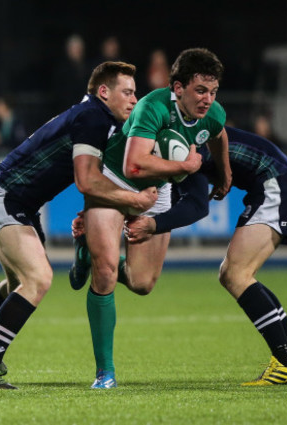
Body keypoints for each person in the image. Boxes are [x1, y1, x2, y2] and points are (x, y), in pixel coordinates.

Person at [0, 61, 158, 390]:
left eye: (135, 93)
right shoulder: (95, 117)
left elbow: (90, 176)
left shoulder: (90, 114)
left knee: (17, 283)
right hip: (5, 196)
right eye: (128, 92)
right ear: (104, 92)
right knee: (38, 278)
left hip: (17, 200)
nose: (134, 99)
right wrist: (133, 201)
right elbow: (86, 179)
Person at [72, 126, 287, 387]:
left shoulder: (178, 147)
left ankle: (285, 362)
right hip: (277, 184)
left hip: (276, 186)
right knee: (235, 274)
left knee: (236, 275)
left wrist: (152, 225)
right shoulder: (176, 135)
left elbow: (197, 206)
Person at [69, 47, 232, 388]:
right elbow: (134, 165)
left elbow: (218, 135)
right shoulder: (152, 107)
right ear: (178, 88)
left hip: (155, 195)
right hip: (113, 184)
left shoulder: (213, 112)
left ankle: (87, 247)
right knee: (107, 271)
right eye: (199, 91)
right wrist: (185, 167)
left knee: (142, 283)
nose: (207, 99)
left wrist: (225, 173)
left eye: (212, 92)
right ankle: (105, 372)